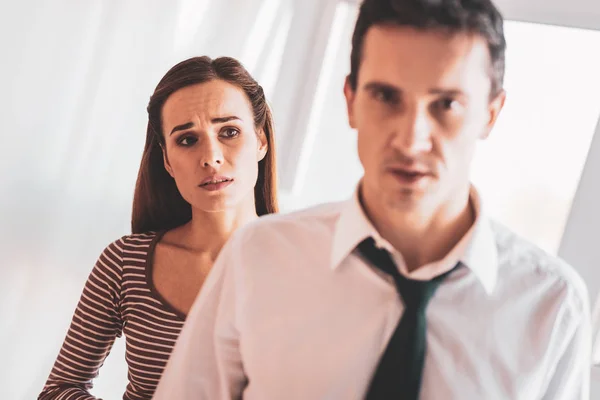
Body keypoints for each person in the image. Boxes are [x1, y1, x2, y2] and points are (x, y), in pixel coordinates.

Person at [154, 0, 592, 399]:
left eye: (446, 104)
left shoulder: (551, 306)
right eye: (386, 96)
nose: (411, 138)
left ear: (490, 114)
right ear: (351, 101)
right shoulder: (257, 259)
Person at [38, 56, 278, 400]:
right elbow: (59, 390)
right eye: (186, 140)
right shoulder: (126, 263)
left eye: (229, 132)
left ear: (261, 141)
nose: (211, 156)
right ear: (167, 160)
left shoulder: (310, 261)